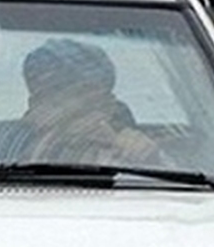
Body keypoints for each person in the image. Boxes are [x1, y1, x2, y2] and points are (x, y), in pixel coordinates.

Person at [18, 38, 165, 165]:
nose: (69, 110)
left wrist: (148, 157)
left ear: (108, 105)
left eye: (84, 102)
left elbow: (168, 184)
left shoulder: (129, 147)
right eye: (51, 98)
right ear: (34, 106)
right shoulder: (10, 146)